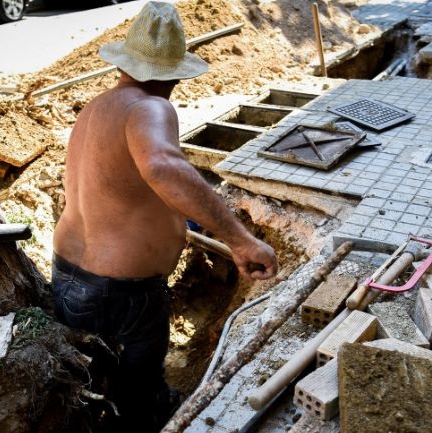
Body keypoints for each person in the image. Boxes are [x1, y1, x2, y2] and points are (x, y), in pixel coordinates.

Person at [51, 2, 278, 431]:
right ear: (173, 74)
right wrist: (241, 239)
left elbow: (125, 190)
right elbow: (162, 168)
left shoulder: (95, 109)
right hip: (122, 295)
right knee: (139, 398)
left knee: (88, 384)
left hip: (67, 279)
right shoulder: (150, 108)